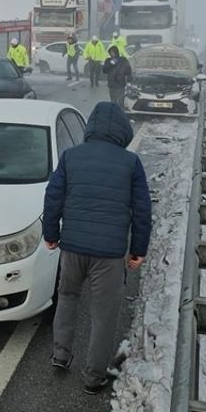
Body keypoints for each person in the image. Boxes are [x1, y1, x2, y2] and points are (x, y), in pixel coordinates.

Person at [42, 102, 151, 394]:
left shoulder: (71, 157)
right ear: (122, 132)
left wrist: (51, 234)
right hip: (109, 255)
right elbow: (142, 211)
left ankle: (61, 354)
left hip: (73, 248)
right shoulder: (130, 163)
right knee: (104, 315)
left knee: (66, 298)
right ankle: (93, 376)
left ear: (91, 127)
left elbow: (53, 197)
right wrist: (138, 250)